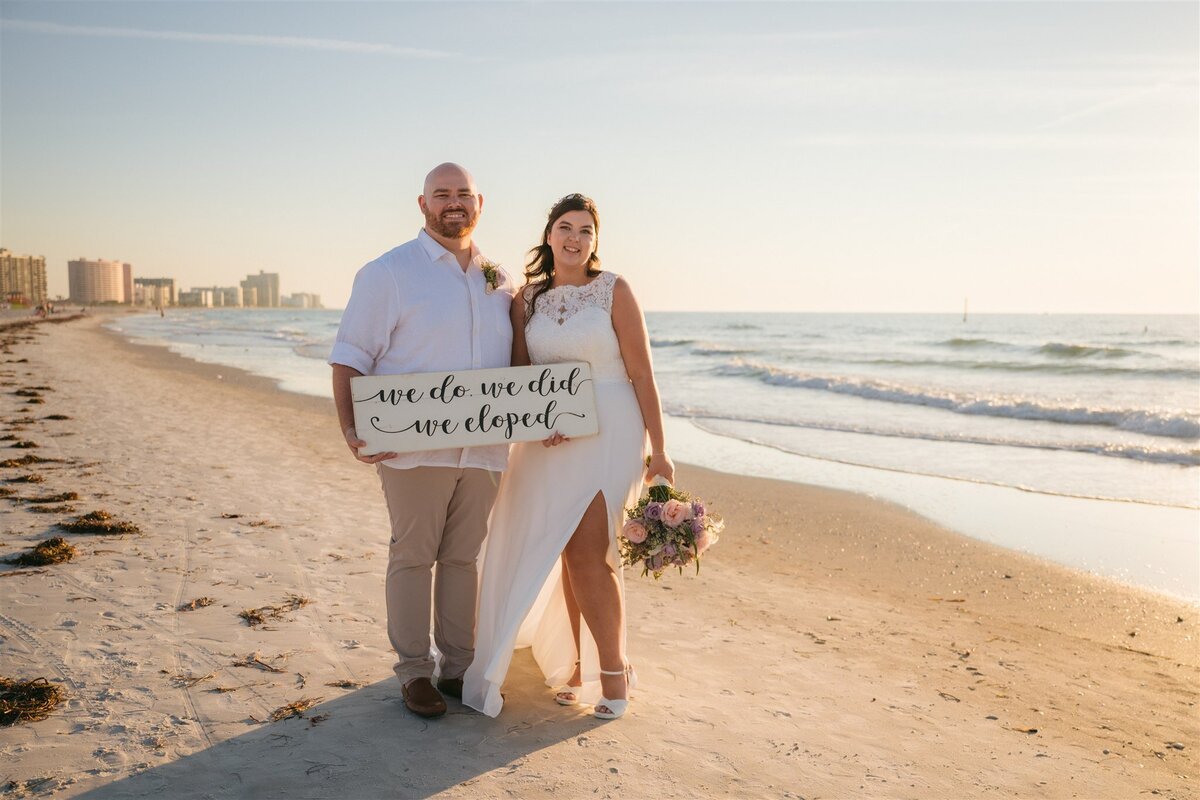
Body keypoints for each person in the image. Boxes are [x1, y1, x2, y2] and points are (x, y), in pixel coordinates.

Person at [463, 193, 673, 719]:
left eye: (585, 231)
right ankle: (576, 665)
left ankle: (613, 671)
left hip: (612, 428)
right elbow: (519, 378)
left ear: (594, 241)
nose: (575, 238)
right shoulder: (527, 300)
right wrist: (539, 422)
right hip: (550, 438)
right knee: (562, 548)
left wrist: (661, 452)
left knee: (588, 552)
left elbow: (642, 374)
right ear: (549, 234)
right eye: (565, 227)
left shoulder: (613, 291)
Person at [329, 163, 514, 719]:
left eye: (463, 194)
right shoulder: (388, 273)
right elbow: (350, 356)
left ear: (480, 203)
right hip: (412, 449)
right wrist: (351, 430)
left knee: (462, 559)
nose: (453, 203)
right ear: (422, 204)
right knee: (413, 557)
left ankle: (457, 667)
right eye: (442, 195)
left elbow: (519, 364)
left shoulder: (501, 278)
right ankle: (413, 673)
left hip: (484, 450)